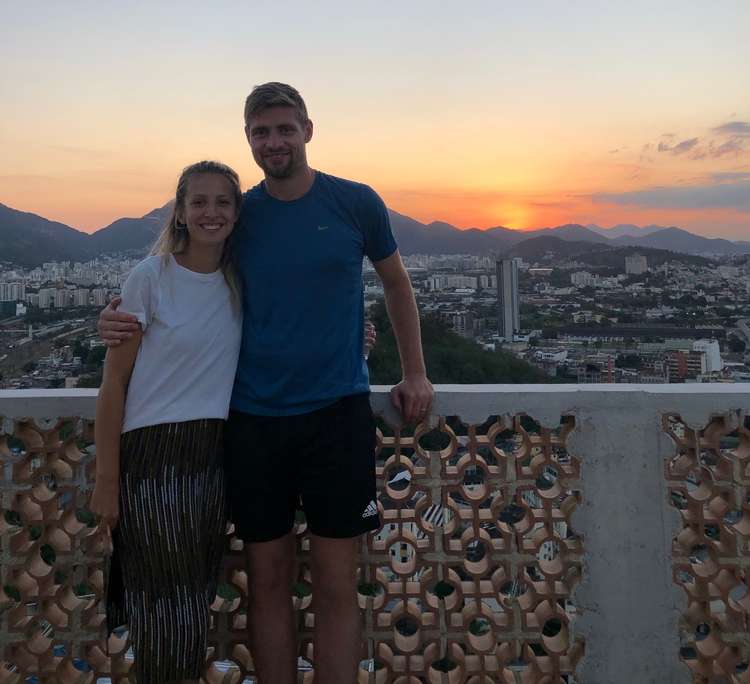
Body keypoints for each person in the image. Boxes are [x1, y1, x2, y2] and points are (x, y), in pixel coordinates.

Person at [99, 82, 434, 684]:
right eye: (261, 132)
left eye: (284, 129)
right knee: (268, 582)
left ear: (308, 129)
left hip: (336, 416)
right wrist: (114, 313)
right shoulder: (241, 215)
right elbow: (186, 275)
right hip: (253, 422)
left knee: (336, 584)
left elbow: (397, 284)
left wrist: (414, 371)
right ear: (248, 138)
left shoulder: (355, 203)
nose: (274, 141)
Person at [91, 160, 243, 683]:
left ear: (237, 212)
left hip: (212, 457)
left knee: (192, 598)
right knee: (164, 606)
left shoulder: (241, 283)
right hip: (153, 459)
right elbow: (114, 385)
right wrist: (107, 483)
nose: (210, 212)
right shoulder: (150, 278)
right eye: (198, 202)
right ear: (179, 211)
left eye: (223, 202)